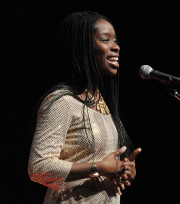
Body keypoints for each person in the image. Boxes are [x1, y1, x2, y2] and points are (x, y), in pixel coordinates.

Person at [28, 11, 142, 204]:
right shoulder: (62, 102)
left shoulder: (102, 103)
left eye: (116, 40)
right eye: (106, 40)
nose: (116, 47)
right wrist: (100, 167)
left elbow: (98, 166)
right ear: (83, 48)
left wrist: (123, 170)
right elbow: (39, 169)